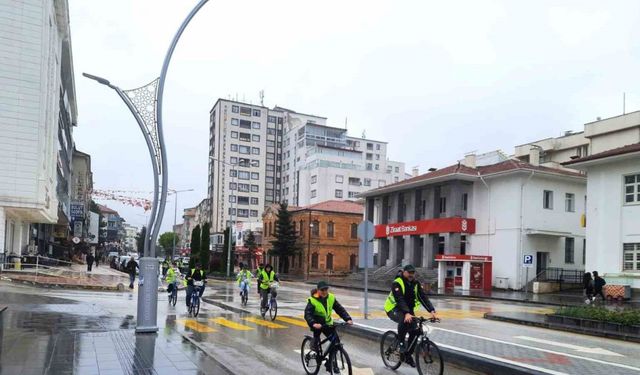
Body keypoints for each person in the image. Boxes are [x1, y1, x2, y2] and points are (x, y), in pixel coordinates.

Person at [384, 264, 437, 368]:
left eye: (413, 273)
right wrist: (407, 313)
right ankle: (401, 344)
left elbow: (423, 297)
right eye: (409, 273)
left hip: (408, 310)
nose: (411, 275)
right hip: (393, 308)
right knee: (404, 320)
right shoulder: (397, 283)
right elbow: (399, 299)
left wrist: (432, 310)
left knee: (415, 329)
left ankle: (408, 355)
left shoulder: (416, 284)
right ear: (404, 272)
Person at [304, 281, 353, 373]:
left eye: (326, 289)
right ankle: (315, 353)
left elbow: (339, 309)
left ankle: (330, 364)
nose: (324, 291)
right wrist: (313, 323)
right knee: (316, 346)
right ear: (318, 290)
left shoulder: (331, 298)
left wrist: (347, 318)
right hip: (317, 324)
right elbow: (308, 314)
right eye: (322, 290)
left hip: (328, 324)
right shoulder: (312, 300)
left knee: (336, 343)